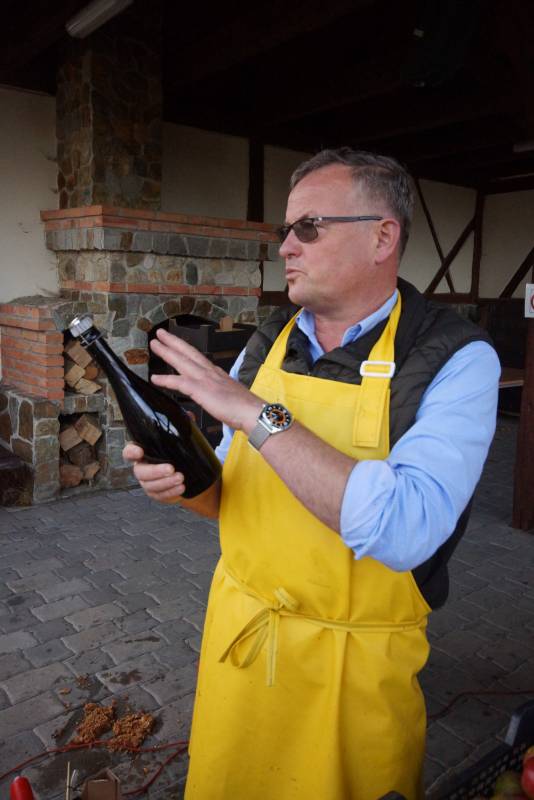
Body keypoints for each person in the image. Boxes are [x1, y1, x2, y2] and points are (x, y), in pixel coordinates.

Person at [123, 148, 500, 799]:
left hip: (351, 678)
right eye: (285, 230)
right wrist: (184, 484)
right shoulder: (268, 340)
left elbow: (406, 531)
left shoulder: (456, 358)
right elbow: (231, 490)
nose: (286, 247)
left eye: (309, 227)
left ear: (382, 236)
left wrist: (255, 413)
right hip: (242, 649)